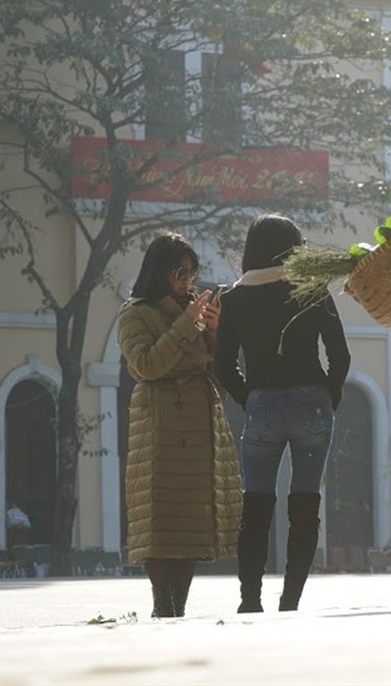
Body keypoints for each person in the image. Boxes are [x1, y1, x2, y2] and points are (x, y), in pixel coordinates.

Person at [215, 214, 351, 613]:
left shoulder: (233, 299)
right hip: (312, 404)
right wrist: (330, 394)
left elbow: (223, 365)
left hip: (263, 407)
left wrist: (248, 398)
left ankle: (249, 599)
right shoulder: (311, 288)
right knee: (305, 506)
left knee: (255, 506)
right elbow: (339, 354)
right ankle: (290, 600)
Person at [118, 232, 243, 618]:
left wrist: (219, 332)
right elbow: (146, 365)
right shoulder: (135, 314)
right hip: (159, 428)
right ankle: (161, 604)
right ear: (159, 273)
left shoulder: (197, 313)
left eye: (193, 271)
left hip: (201, 425)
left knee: (192, 521)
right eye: (180, 271)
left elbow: (218, 380)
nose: (188, 280)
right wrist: (187, 325)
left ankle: (179, 607)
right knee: (161, 521)